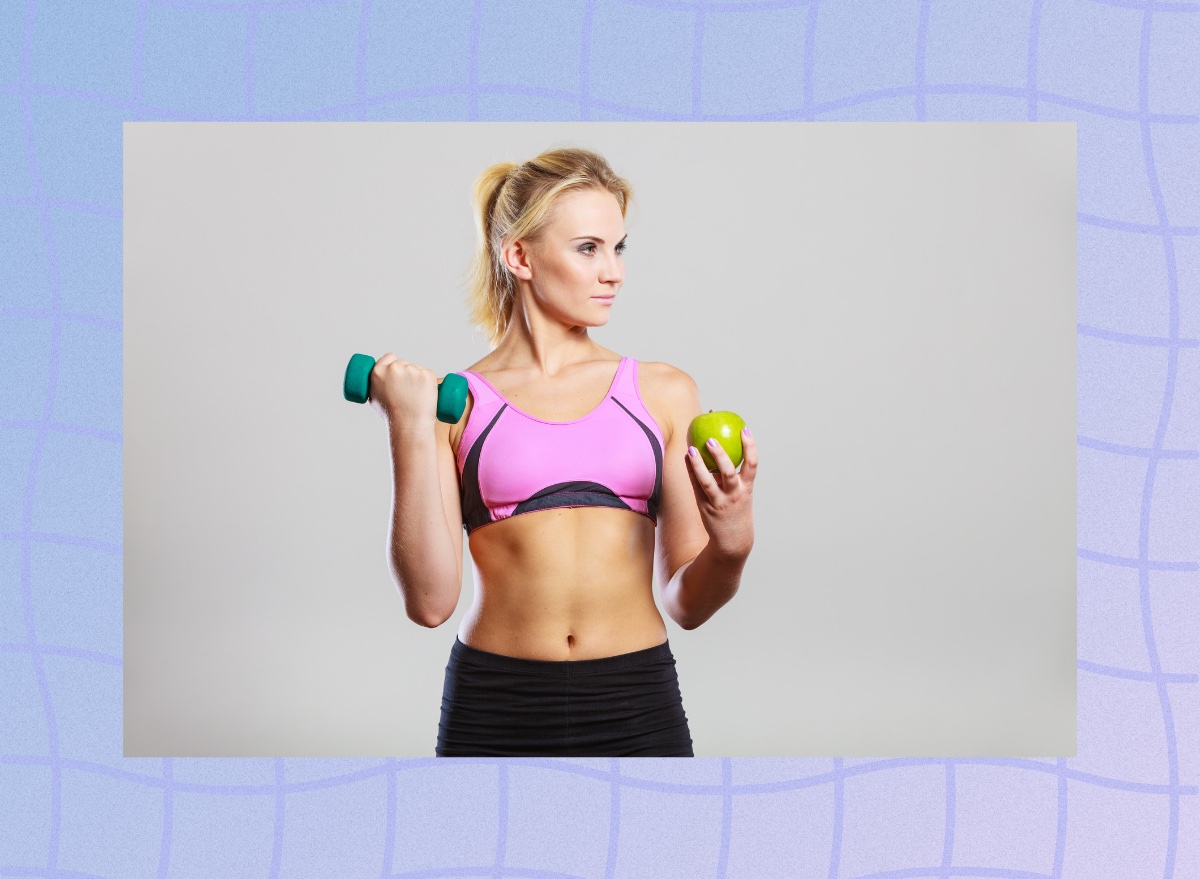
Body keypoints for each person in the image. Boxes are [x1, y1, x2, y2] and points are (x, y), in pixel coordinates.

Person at [368, 147, 758, 757]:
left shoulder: (663, 392)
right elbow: (429, 603)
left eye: (618, 247)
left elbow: (687, 604)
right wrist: (408, 426)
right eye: (588, 248)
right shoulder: (457, 404)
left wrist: (732, 543)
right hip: (494, 702)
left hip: (635, 700)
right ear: (519, 256)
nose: (614, 272)